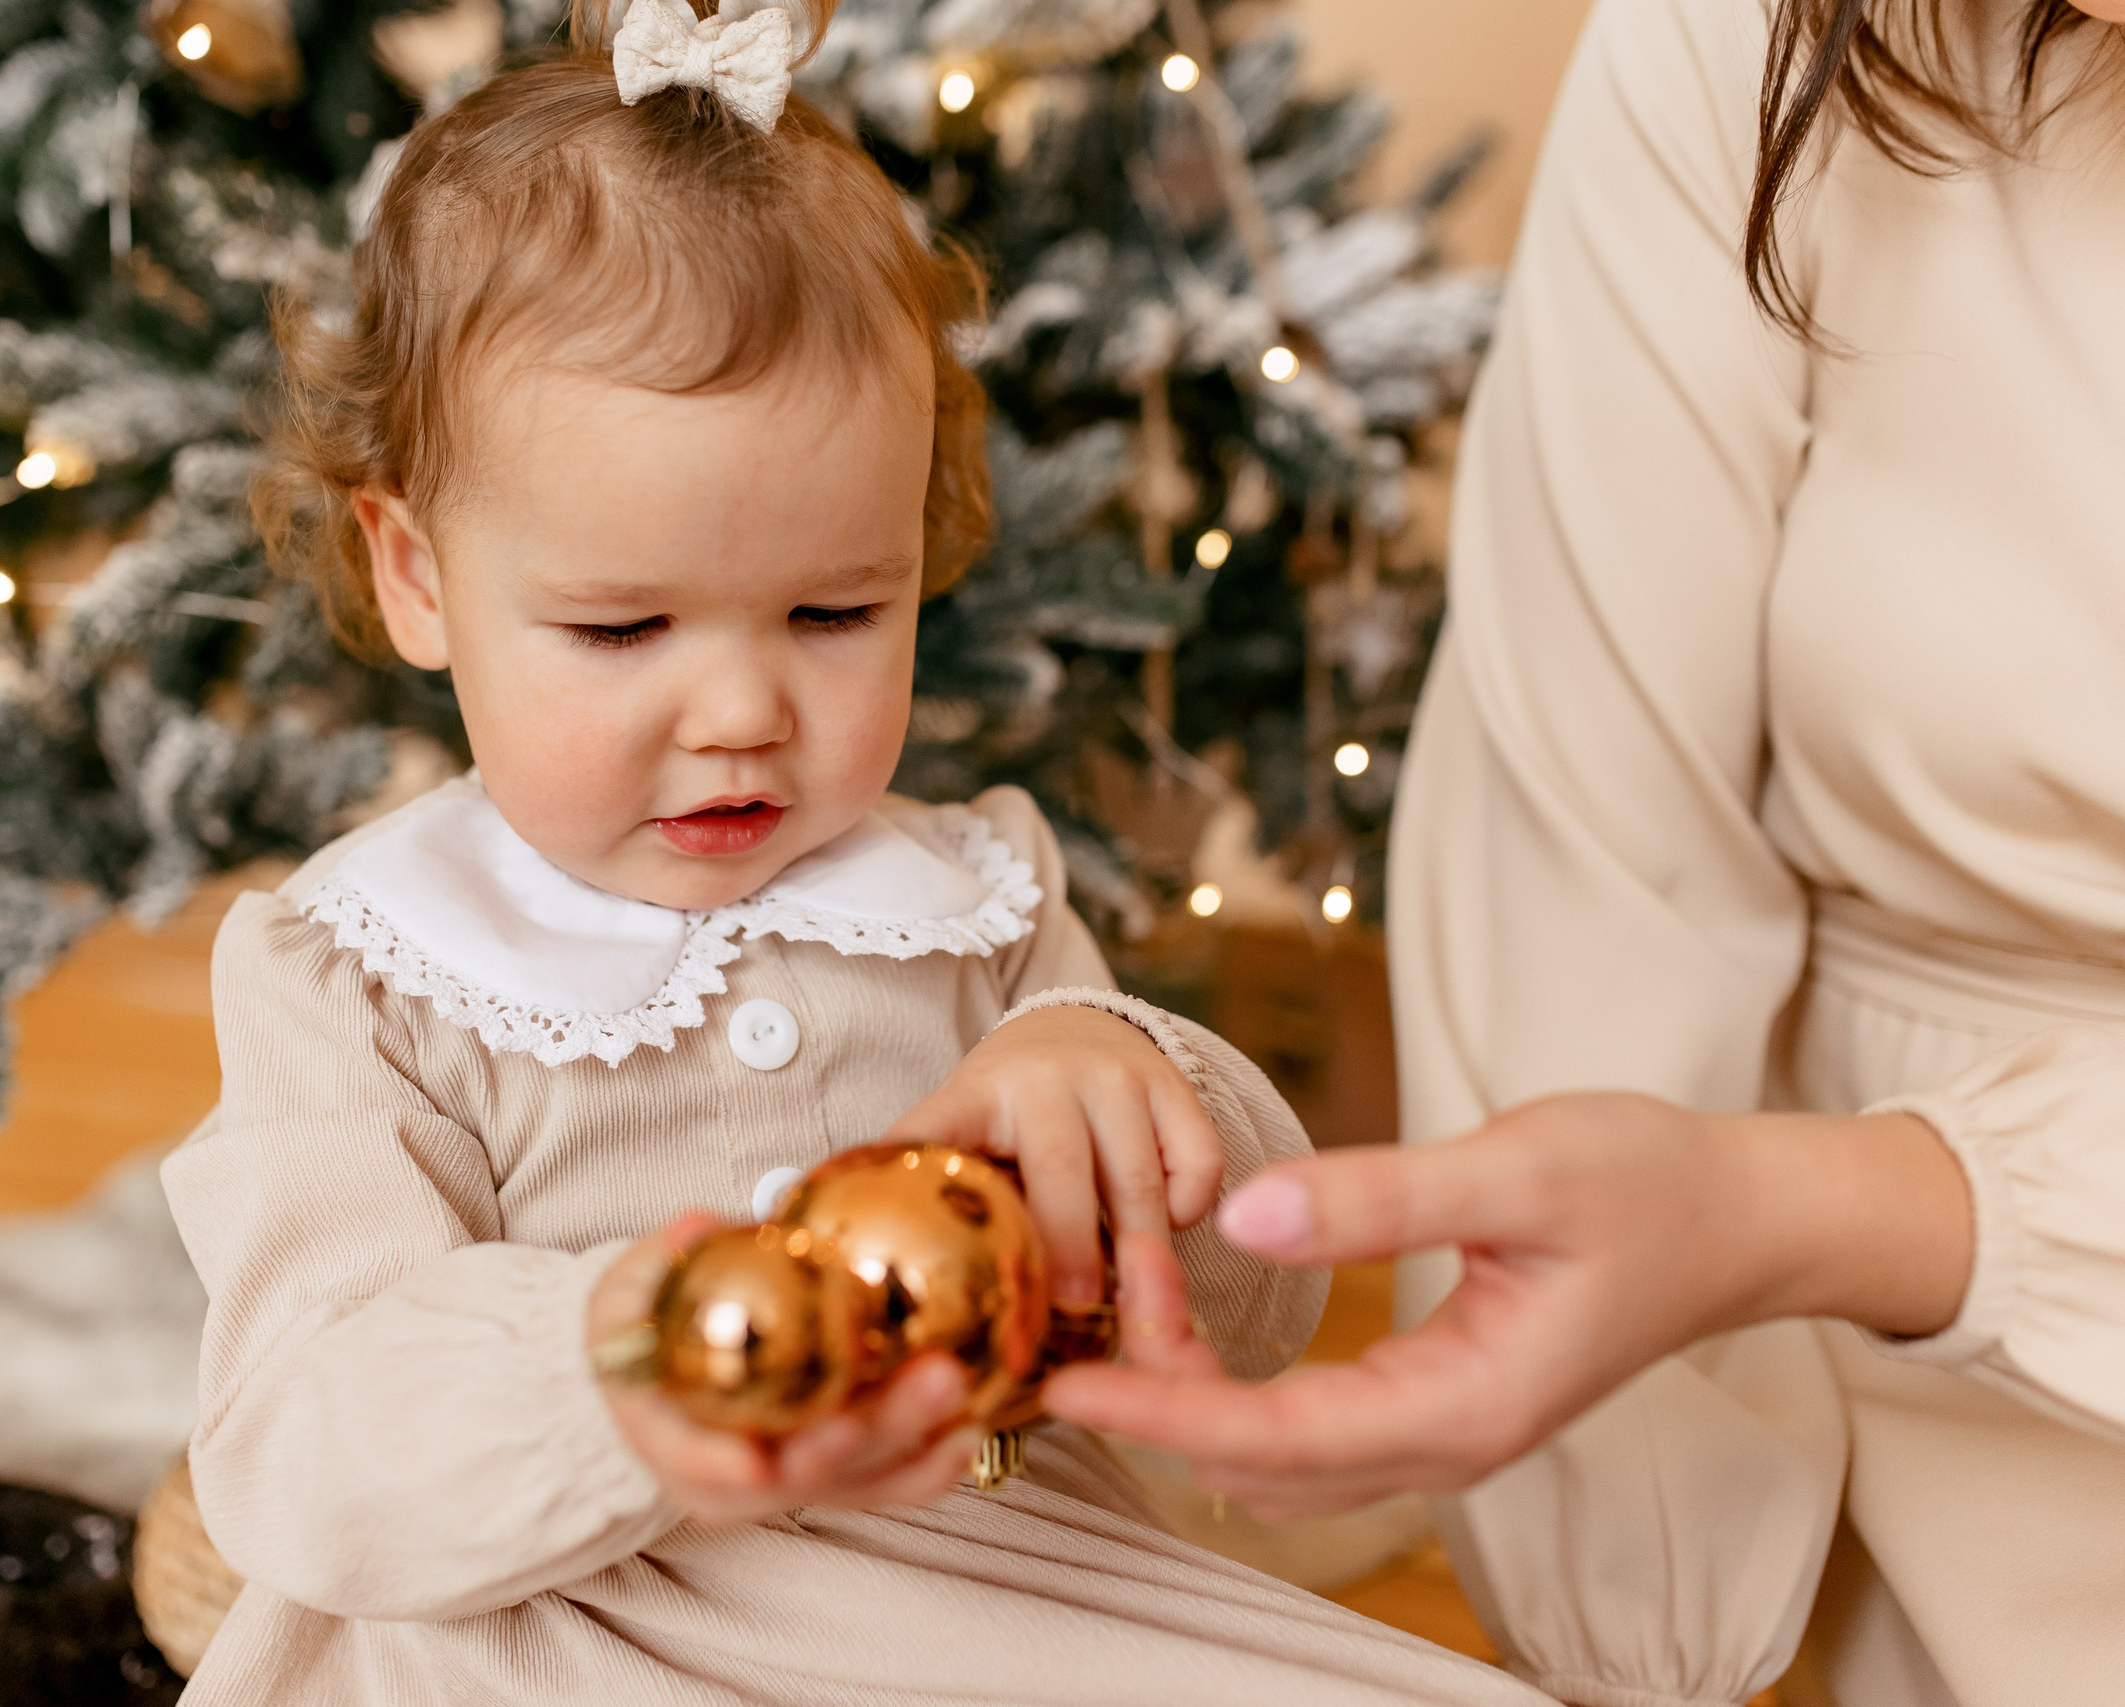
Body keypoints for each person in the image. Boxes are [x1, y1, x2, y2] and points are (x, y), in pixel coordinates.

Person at [155, 0, 1558, 1699]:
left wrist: (1110, 1075)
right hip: (556, 1618)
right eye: (619, 628)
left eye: (835, 609)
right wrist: (638, 1370)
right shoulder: (358, 968)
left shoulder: (975, 899)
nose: (742, 708)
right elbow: (304, 1446)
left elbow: (1243, 1321)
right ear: (417, 577)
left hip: (997, 1577)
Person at [1047, 0, 2125, 1702]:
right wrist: (1623, 1580)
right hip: (1865, 1429)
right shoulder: (1755, 45)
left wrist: (1820, 1211)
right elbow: (1596, 821)